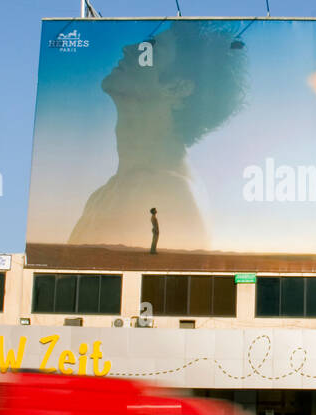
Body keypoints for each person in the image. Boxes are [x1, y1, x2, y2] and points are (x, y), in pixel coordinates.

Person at [68, 22, 248, 251]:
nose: (130, 48)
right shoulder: (106, 193)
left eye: (152, 49)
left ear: (178, 87)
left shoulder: (172, 193)